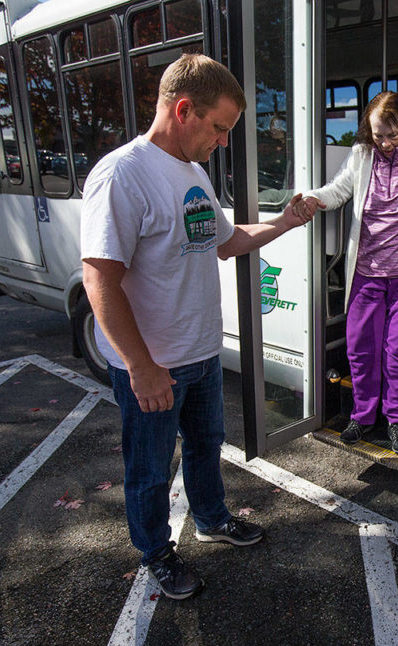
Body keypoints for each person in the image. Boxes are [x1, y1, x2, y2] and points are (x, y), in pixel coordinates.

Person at [80, 54, 315, 600]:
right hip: (155, 366)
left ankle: (210, 518)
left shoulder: (192, 171)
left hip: (201, 354)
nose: (224, 141)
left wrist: (284, 222)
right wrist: (141, 367)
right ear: (183, 109)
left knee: (207, 445)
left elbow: (227, 242)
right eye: (219, 127)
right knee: (149, 470)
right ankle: (156, 551)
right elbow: (99, 282)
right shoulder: (122, 174)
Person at [298, 91, 398, 456]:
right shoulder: (362, 156)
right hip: (367, 276)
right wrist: (312, 198)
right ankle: (362, 415)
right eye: (379, 135)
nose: (386, 142)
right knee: (361, 350)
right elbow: (338, 190)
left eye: (393, 134)